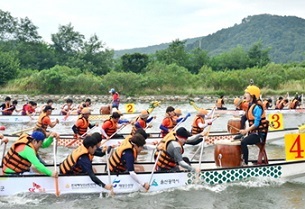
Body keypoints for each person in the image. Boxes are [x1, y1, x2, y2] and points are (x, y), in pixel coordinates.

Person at [239, 85, 269, 166]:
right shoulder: (250, 105)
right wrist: (241, 131)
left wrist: (246, 130)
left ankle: (245, 163)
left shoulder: (257, 107)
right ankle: (240, 160)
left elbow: (256, 124)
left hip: (259, 134)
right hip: (253, 133)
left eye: (247, 93)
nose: (245, 95)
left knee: (243, 142)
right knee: (240, 140)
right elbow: (244, 118)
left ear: (252, 95)